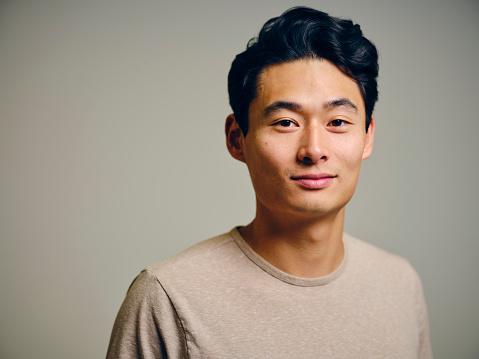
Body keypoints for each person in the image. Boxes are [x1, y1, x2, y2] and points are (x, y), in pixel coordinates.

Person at [106, 7, 433, 358]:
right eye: (285, 122)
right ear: (237, 139)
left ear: (367, 137)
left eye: (337, 121)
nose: (313, 150)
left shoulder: (399, 284)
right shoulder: (168, 297)